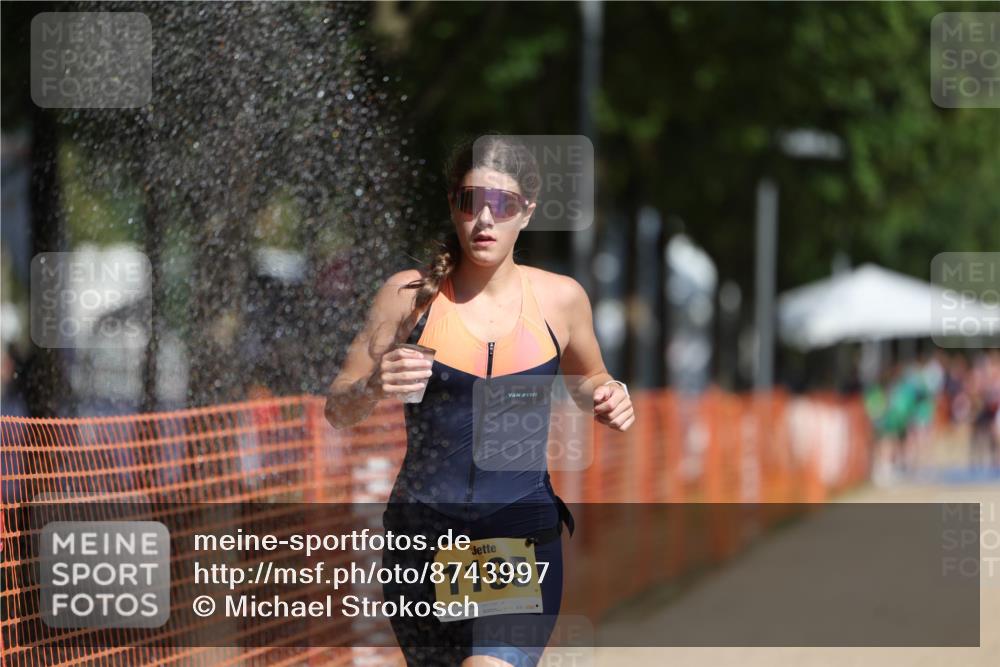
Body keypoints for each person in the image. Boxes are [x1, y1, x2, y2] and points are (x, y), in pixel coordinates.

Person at [325, 133, 634, 666]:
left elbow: (590, 378)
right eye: (471, 203)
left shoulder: (560, 300)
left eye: (502, 205)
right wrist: (374, 385)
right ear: (453, 205)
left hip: (513, 532)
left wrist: (611, 394)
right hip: (421, 535)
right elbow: (339, 408)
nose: (485, 220)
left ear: (527, 212)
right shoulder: (408, 296)